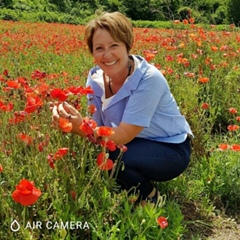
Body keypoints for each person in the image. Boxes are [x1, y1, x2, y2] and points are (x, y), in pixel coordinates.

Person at [51, 11, 193, 207]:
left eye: (114, 45)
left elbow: (124, 134)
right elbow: (97, 127)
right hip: (133, 144)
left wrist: (82, 129)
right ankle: (131, 187)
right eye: (99, 48)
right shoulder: (94, 79)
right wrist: (67, 116)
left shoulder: (149, 79)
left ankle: (150, 196)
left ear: (128, 45)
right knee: (103, 156)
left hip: (171, 149)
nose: (107, 55)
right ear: (92, 52)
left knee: (113, 156)